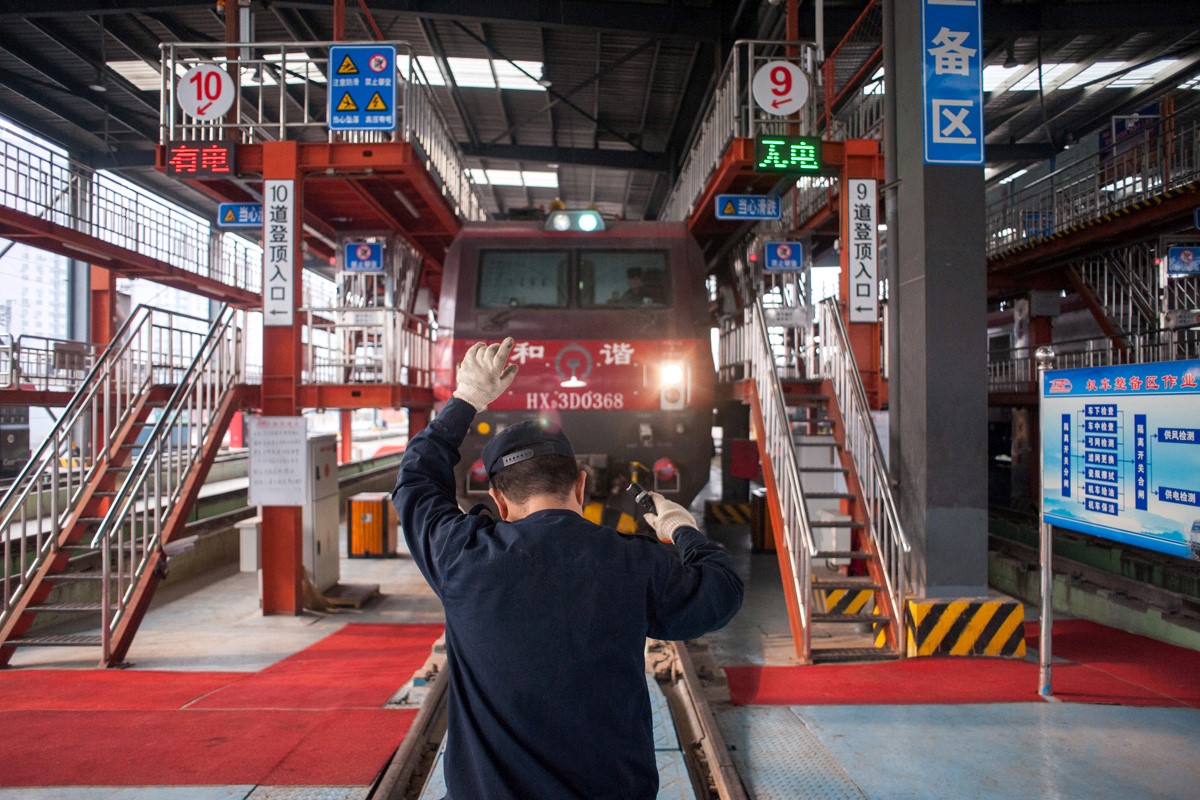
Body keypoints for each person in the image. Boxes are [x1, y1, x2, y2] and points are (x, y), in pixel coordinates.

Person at [393, 337, 743, 800]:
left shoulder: (462, 556)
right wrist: (681, 530)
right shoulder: (634, 562)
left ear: (498, 500)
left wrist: (466, 400)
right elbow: (721, 591)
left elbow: (415, 481)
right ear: (580, 484)